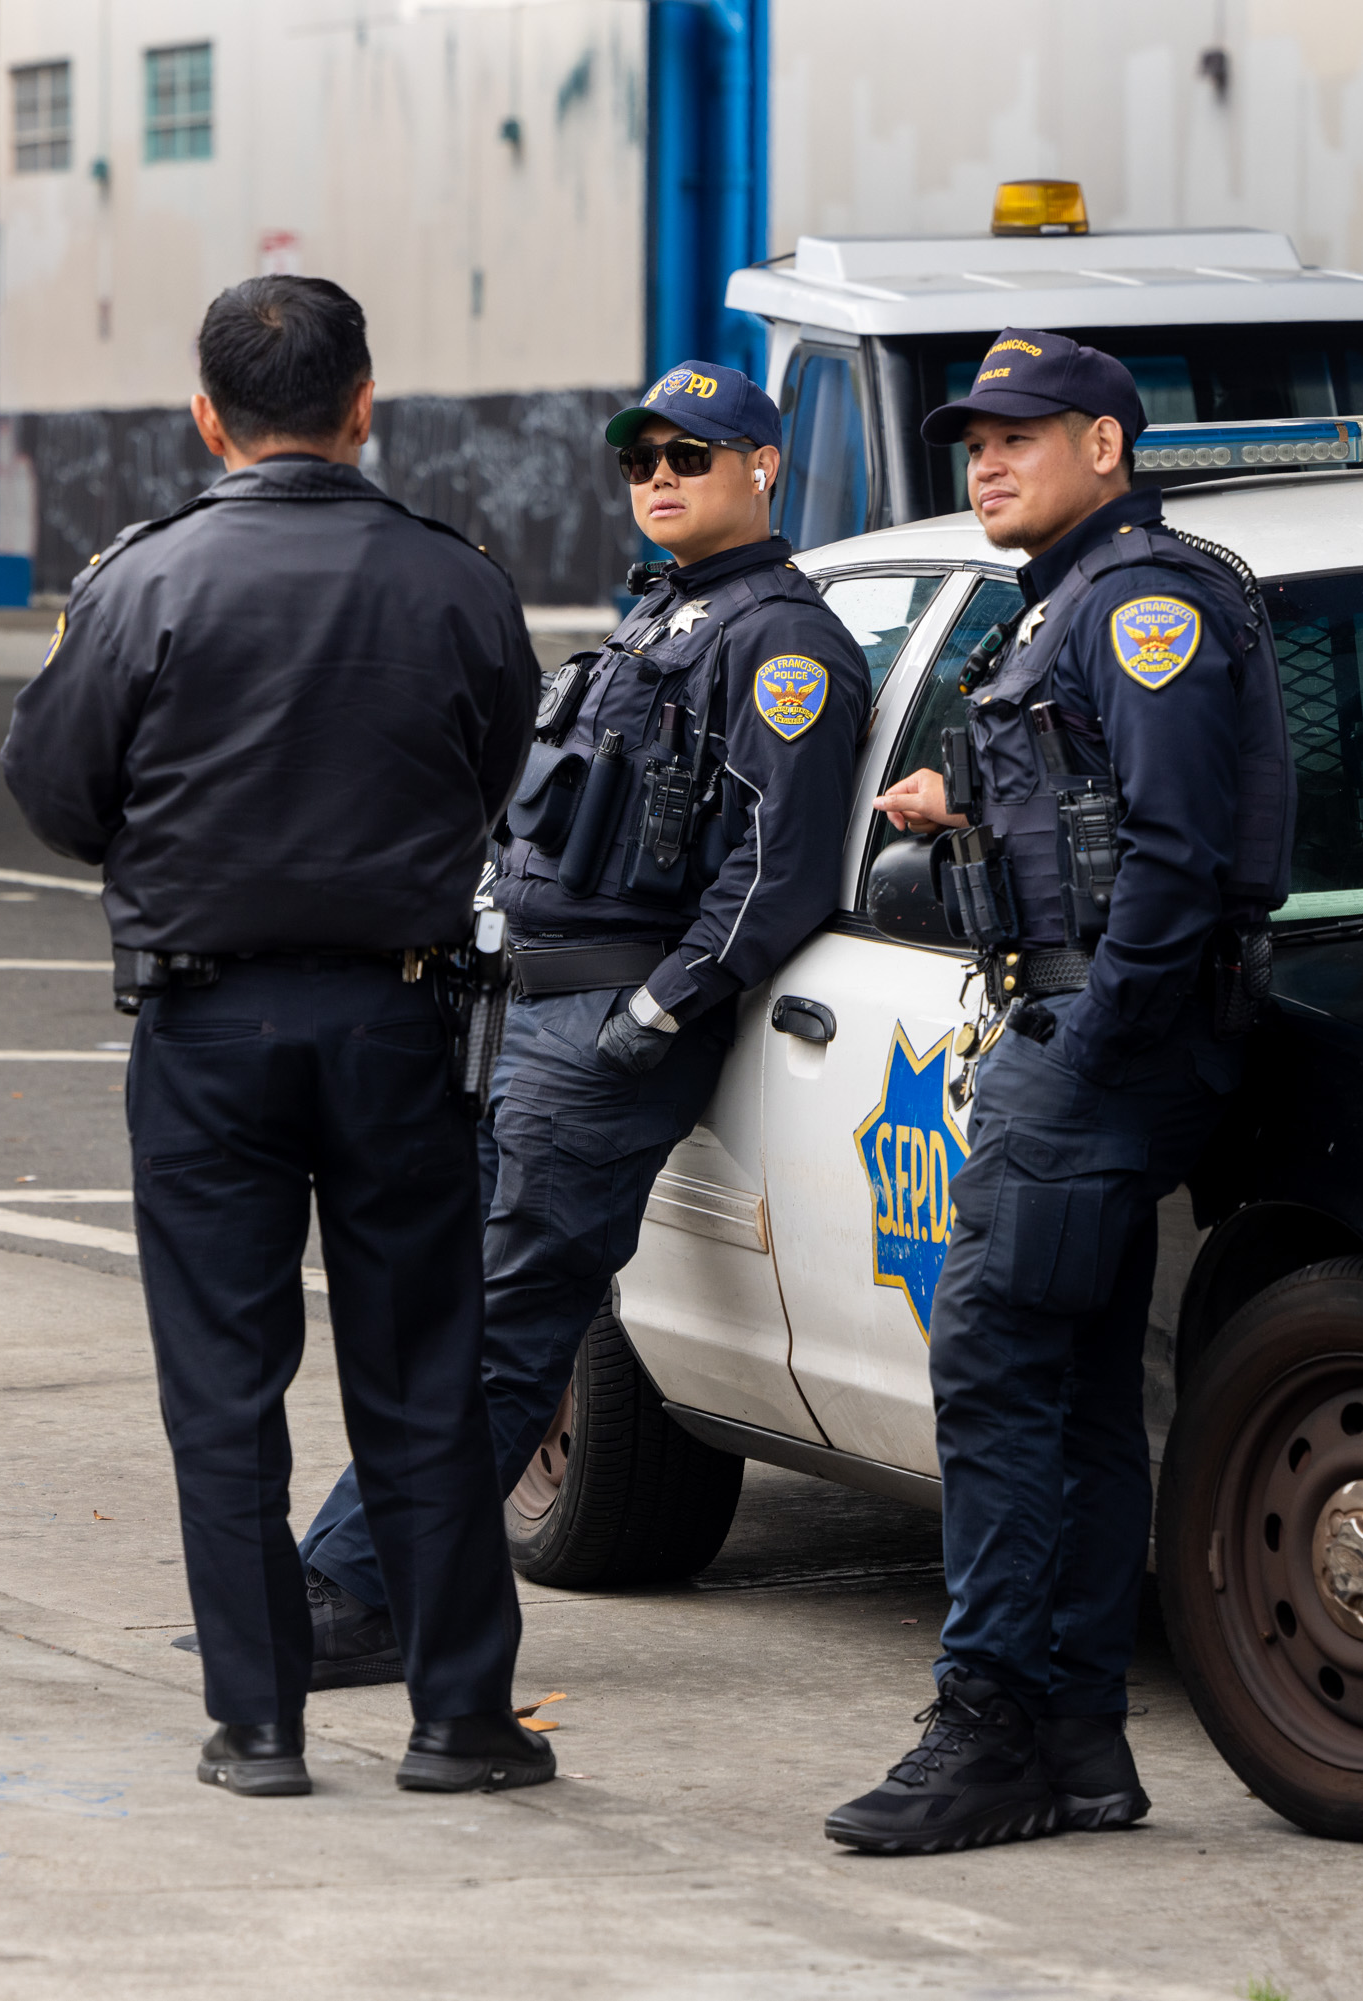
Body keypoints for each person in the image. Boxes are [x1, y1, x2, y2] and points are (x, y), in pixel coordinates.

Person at [1, 275, 547, 1796]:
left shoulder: (140, 581)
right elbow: (499, 766)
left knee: (223, 1384)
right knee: (425, 1370)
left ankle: (258, 1724)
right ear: (365, 402)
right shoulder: (455, 581)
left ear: (204, 412)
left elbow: (52, 790)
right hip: (397, 1019)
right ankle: (457, 1723)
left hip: (205, 1022)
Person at [292, 359, 871, 1682]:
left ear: (763, 466)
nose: (659, 478)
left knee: (499, 1333)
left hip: (603, 1034)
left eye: (692, 456)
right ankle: (339, 1579)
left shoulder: (782, 643)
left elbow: (774, 869)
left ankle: (364, 1599)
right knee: (446, 1321)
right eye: (641, 460)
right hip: (524, 1019)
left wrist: (665, 1009)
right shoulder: (655, 624)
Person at [826, 329, 1291, 1853]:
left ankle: (988, 1731)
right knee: (1082, 1394)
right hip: (1091, 1034)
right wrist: (967, 798)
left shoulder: (1142, 605)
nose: (988, 459)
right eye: (974, 438)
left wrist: (1090, 1045)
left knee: (998, 1374)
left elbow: (1173, 855)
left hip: (1093, 1047)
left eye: (1023, 433)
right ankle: (1084, 1746)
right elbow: (1094, 805)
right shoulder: (1073, 608)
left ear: (1107, 445)